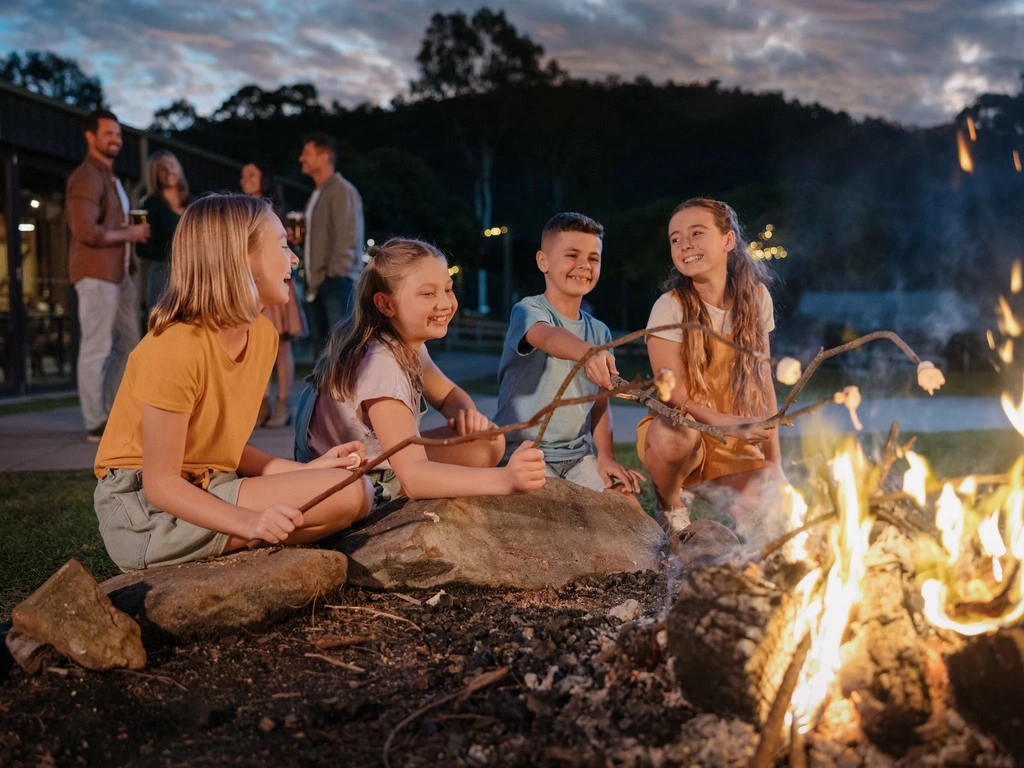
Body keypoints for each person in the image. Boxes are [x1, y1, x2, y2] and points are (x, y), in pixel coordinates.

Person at [93, 194, 371, 572]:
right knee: (349, 496)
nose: (293, 259)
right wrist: (250, 522)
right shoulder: (173, 348)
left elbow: (221, 446)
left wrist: (308, 470)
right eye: (282, 245)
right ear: (240, 258)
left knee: (350, 489)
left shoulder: (262, 336)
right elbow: (161, 483)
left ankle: (219, 543)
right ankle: (192, 544)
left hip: (211, 482)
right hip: (145, 505)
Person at [295, 237, 546, 508]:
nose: (445, 303)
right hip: (343, 479)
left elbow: (449, 394)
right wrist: (504, 480)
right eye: (428, 294)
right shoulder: (380, 364)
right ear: (386, 305)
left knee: (489, 441)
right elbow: (414, 476)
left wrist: (463, 413)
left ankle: (416, 480)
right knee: (466, 457)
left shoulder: (403, 344)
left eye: (447, 289)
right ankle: (391, 495)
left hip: (380, 462)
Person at [636, 198, 784, 531]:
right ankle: (670, 502)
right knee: (677, 436)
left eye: (696, 233)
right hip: (684, 435)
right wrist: (726, 423)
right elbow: (673, 395)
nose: (684, 244)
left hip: (733, 443)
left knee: (773, 527)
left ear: (728, 240)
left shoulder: (756, 297)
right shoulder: (670, 307)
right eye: (675, 239)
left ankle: (704, 487)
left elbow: (763, 381)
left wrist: (774, 462)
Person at [494, 213, 645, 497]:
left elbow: (600, 406)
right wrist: (587, 353)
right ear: (543, 261)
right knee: (554, 509)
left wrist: (606, 455)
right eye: (572, 255)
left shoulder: (600, 332)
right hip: (525, 451)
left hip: (576, 455)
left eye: (593, 258)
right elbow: (548, 337)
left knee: (621, 502)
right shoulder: (528, 312)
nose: (584, 266)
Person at [66, 108, 149, 442]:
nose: (116, 139)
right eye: (108, 134)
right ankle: (94, 421)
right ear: (90, 136)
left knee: (130, 346)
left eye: (118, 134)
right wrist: (129, 235)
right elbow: (85, 230)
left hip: (121, 274)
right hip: (97, 274)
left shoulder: (111, 177)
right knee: (97, 346)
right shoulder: (87, 177)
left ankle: (117, 412)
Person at [241, 162, 307, 428]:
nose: (246, 179)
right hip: (251, 282)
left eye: (252, 174)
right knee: (255, 342)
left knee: (281, 344)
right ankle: (261, 402)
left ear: (264, 179)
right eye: (243, 175)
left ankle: (282, 403)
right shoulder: (240, 212)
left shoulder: (275, 213)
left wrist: (291, 241)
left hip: (278, 281)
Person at [296, 134, 364, 357]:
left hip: (335, 282)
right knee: (323, 354)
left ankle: (347, 393)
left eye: (307, 153)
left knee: (341, 351)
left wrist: (334, 275)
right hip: (316, 283)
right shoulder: (318, 194)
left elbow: (347, 235)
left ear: (324, 157)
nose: (301, 158)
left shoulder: (342, 190)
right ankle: (324, 394)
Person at [136, 150, 191, 310]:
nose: (169, 171)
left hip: (192, 278)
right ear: (154, 175)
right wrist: (177, 255)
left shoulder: (194, 203)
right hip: (163, 278)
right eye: (162, 168)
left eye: (172, 166)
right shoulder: (146, 204)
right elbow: (141, 249)